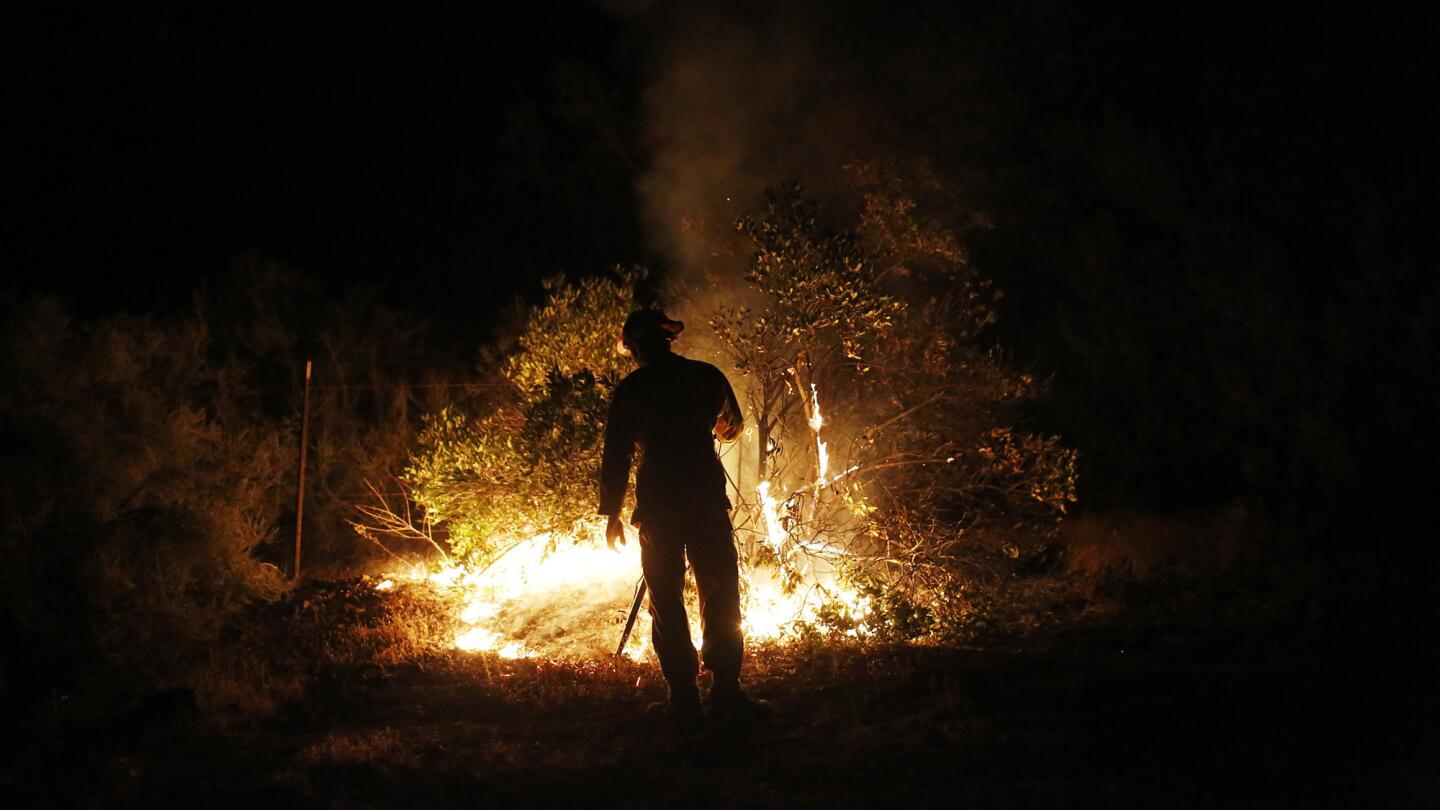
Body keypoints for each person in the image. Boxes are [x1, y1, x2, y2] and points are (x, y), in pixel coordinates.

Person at [600, 308, 770, 731]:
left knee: (666, 596)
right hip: (705, 498)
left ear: (636, 346)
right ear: (668, 340)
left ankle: (683, 699)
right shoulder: (705, 376)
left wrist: (611, 512)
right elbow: (731, 428)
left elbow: (616, 453)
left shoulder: (633, 389)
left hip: (659, 503)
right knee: (720, 590)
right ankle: (727, 692)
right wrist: (702, 424)